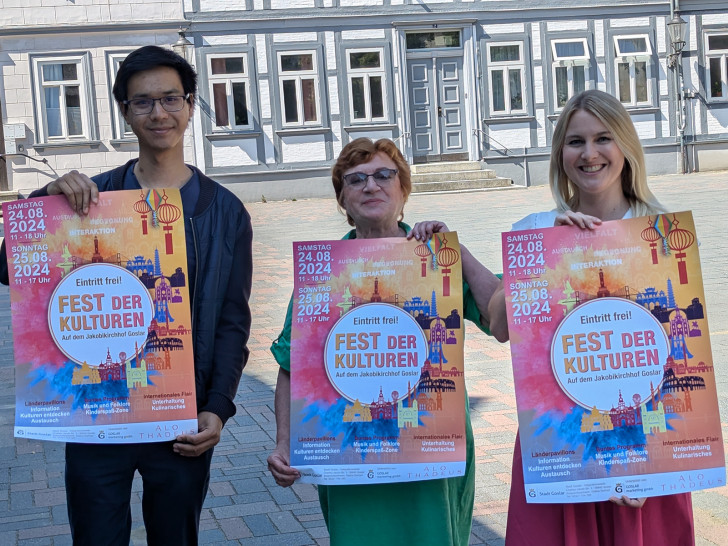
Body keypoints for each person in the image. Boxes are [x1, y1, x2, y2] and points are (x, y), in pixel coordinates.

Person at [0, 45, 253, 545]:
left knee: (175, 538)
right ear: (125, 112)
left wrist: (218, 406)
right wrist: (43, 201)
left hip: (181, 416)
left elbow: (232, 319)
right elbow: (9, 268)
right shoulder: (89, 200)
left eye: (170, 99)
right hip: (97, 415)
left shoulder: (226, 212)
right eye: (142, 102)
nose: (158, 113)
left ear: (190, 104)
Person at [266, 137, 501, 545]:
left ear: (403, 188)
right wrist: (285, 443)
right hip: (349, 456)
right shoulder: (323, 272)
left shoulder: (434, 262)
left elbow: (503, 321)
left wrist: (455, 252)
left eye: (383, 175)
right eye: (354, 179)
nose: (370, 186)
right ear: (342, 198)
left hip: (430, 453)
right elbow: (290, 368)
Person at [487, 89, 695, 545]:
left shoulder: (660, 230)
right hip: (560, 443)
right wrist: (545, 255)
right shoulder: (536, 229)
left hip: (646, 442)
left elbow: (679, 354)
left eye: (603, 138)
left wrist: (653, 464)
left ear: (625, 147)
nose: (590, 153)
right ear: (561, 153)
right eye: (575, 141)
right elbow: (500, 325)